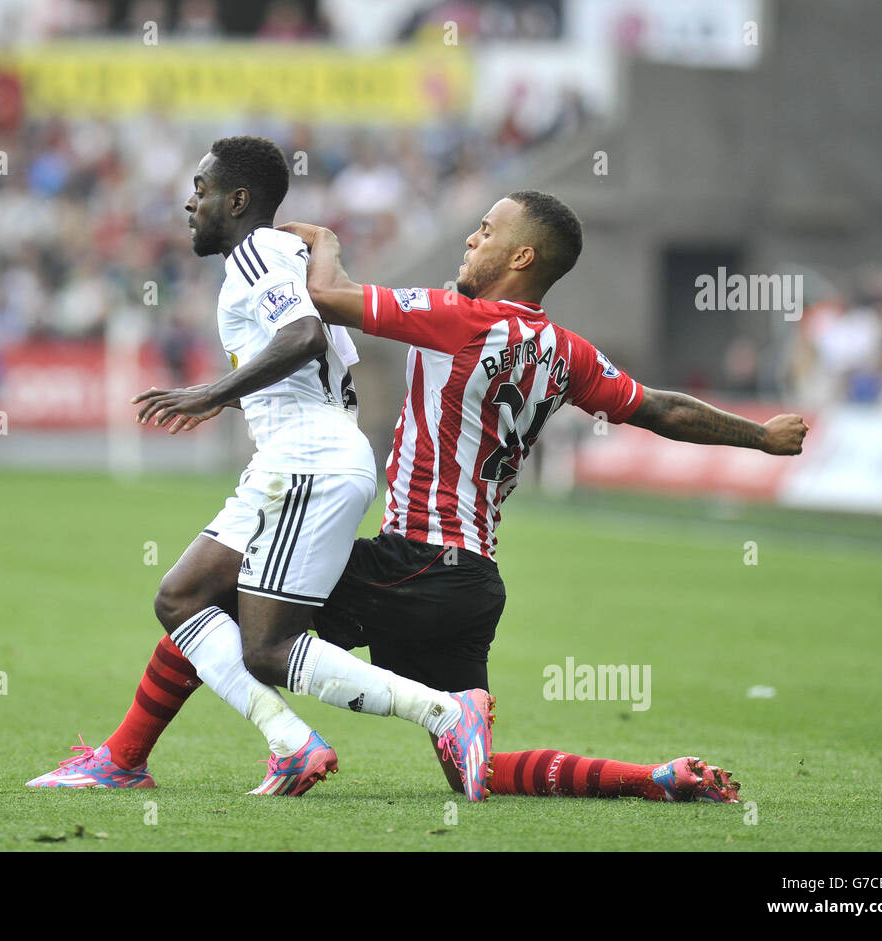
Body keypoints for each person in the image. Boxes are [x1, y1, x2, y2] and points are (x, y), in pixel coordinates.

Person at [46, 189, 808, 803]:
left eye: (484, 231)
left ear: (521, 254)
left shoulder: (460, 321)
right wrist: (761, 436)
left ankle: (128, 757)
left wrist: (325, 241)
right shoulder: (567, 352)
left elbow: (327, 299)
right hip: (473, 581)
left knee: (213, 598)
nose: (468, 240)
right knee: (473, 771)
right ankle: (652, 778)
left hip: (416, 559)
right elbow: (661, 409)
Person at [26, 137, 495, 800]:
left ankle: (444, 711)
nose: (191, 202)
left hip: (308, 456)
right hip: (302, 454)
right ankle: (274, 743)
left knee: (268, 648)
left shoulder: (256, 253)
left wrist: (210, 393)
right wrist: (323, 241)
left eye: (203, 188)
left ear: (237, 200)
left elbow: (301, 335)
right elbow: (313, 310)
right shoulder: (282, 254)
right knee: (183, 597)